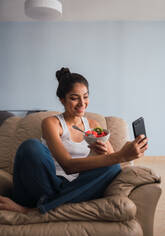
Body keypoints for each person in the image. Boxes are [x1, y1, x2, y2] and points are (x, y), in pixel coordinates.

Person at [0, 67, 148, 214]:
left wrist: (106, 153)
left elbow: (114, 164)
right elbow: (68, 166)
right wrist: (121, 155)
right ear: (62, 100)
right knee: (31, 146)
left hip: (77, 186)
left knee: (113, 168)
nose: (82, 103)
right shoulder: (51, 123)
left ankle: (33, 210)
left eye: (85, 96)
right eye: (74, 98)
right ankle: (48, 205)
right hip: (47, 183)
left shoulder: (93, 125)